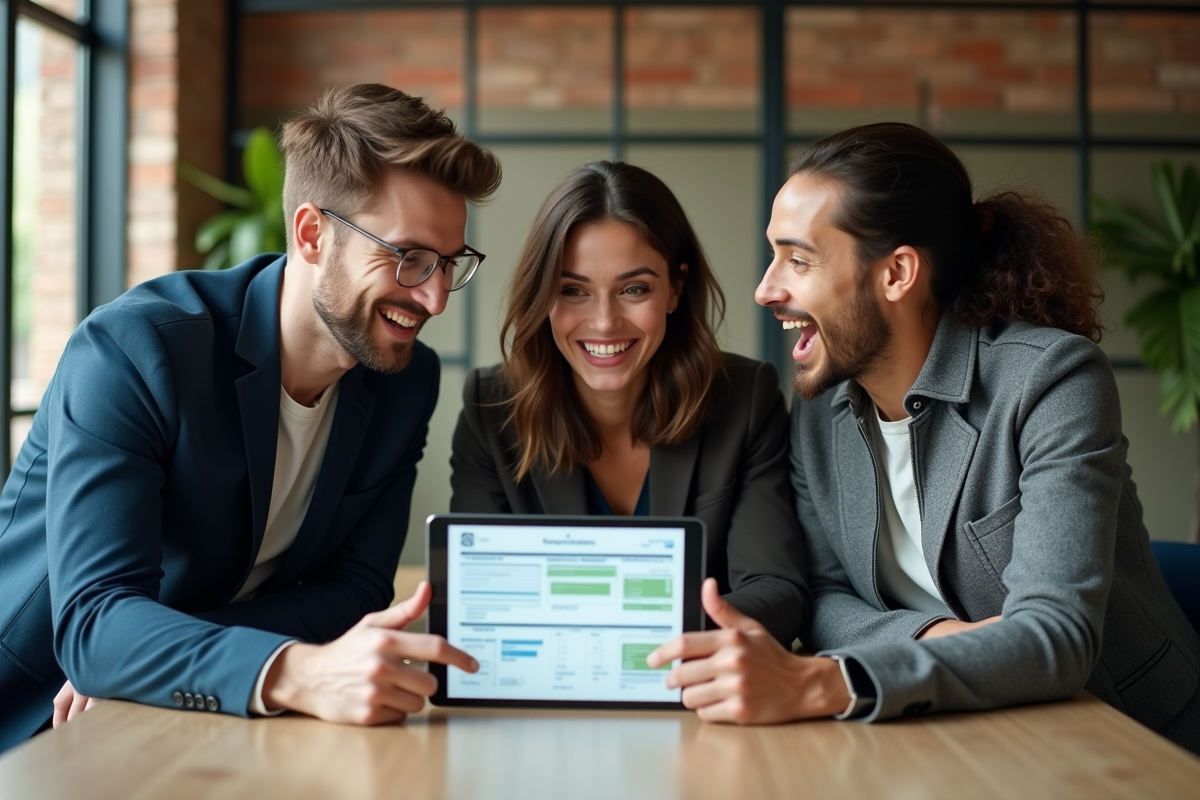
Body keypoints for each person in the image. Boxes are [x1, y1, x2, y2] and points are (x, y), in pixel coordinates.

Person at [647, 122, 1200, 753]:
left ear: (897, 273)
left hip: (1124, 740)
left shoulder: (1051, 379)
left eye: (798, 259)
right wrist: (932, 633)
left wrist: (828, 682)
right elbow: (825, 599)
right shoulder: (818, 413)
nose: (766, 288)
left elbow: (1057, 635)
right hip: (950, 732)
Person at [0, 84, 501, 752]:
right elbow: (93, 625)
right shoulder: (137, 351)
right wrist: (294, 669)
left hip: (192, 715)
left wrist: (152, 653)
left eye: (448, 264)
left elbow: (355, 589)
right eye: (408, 258)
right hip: (31, 716)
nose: (435, 297)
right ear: (312, 233)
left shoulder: (405, 383)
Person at [449, 161, 809, 645]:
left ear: (675, 289)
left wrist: (639, 643)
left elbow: (777, 590)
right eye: (572, 290)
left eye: (633, 289)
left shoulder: (744, 397)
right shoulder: (491, 407)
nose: (603, 323)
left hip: (693, 692)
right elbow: (476, 597)